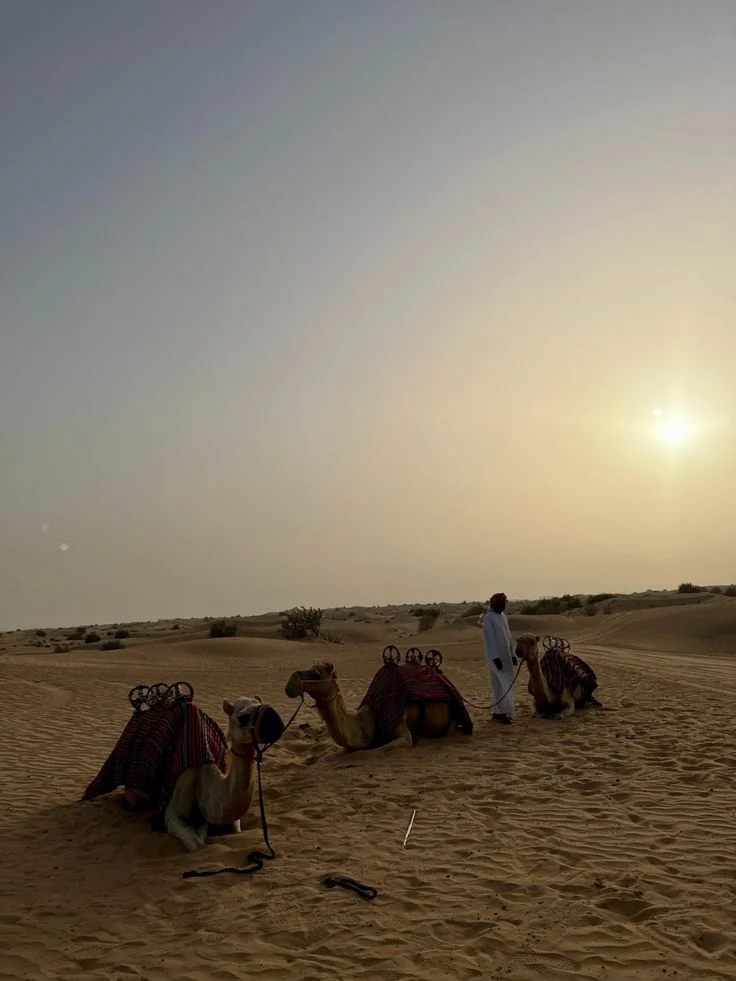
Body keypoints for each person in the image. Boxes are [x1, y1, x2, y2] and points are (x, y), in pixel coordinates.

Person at [482, 592, 518, 725]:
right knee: (498, 684)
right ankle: (498, 713)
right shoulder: (488, 618)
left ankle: (505, 712)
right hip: (496, 659)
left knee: (506, 683)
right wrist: (495, 657)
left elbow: (508, 637)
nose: (505, 605)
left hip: (506, 657)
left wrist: (513, 654)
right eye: (503, 602)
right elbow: (489, 640)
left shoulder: (503, 617)